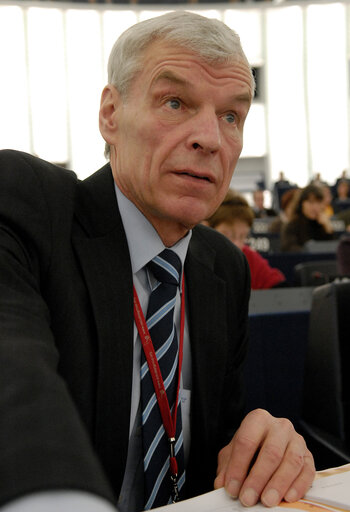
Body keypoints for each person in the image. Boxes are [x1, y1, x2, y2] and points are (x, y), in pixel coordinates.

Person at [0, 11, 315, 512]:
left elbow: (214, 441)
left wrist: (265, 448)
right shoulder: (32, 208)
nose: (210, 138)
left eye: (231, 116)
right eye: (175, 102)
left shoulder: (223, 269)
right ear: (110, 113)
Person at [207, 194, 287, 289]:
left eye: (242, 236)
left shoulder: (248, 258)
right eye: (227, 235)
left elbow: (275, 284)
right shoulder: (195, 258)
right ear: (207, 229)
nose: (236, 244)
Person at [281, 184, 334, 252]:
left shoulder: (322, 225)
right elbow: (290, 250)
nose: (315, 207)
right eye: (311, 202)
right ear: (301, 204)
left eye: (318, 202)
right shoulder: (292, 226)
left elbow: (331, 251)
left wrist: (328, 229)